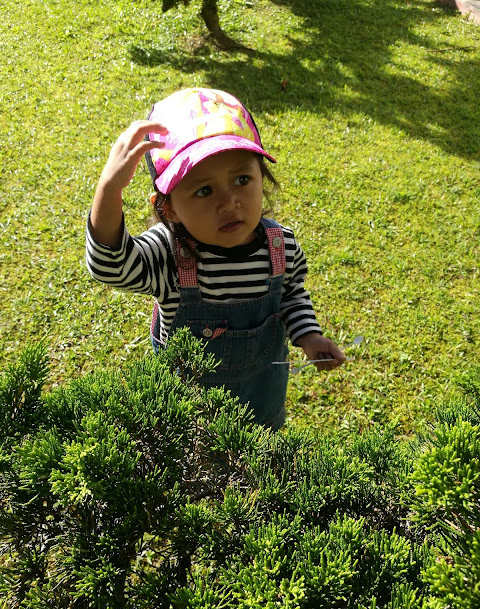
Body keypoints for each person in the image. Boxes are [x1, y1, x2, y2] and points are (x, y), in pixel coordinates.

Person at [86, 87, 346, 429]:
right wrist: (109, 188)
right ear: (168, 208)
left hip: (261, 405)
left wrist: (308, 336)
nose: (229, 202)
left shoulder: (279, 246)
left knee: (259, 456)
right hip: (188, 420)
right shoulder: (168, 255)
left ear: (262, 179)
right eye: (204, 190)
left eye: (242, 179)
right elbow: (110, 266)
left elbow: (291, 294)